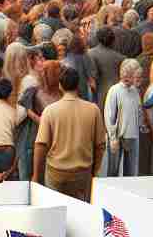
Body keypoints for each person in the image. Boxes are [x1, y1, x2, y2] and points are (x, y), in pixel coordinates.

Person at [34, 65, 106, 201]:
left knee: (56, 211)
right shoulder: (93, 110)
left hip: (56, 173)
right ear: (78, 85)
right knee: (80, 214)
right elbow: (100, 145)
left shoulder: (50, 111)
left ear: (60, 85)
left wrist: (36, 176)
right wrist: (94, 171)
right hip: (82, 174)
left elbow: (40, 145)